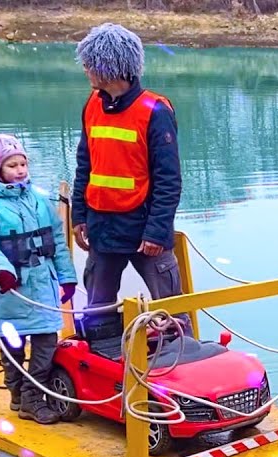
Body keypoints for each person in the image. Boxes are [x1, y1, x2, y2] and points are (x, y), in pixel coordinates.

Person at [70, 22, 191, 335]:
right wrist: (78, 216)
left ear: (110, 66)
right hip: (101, 228)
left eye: (90, 63)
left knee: (172, 314)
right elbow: (85, 164)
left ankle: (184, 368)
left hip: (145, 230)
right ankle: (102, 368)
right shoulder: (91, 105)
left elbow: (169, 180)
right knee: (98, 313)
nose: (85, 69)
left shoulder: (155, 110)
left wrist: (157, 231)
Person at [0, 133, 78, 425]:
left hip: (43, 284)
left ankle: (32, 397)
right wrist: (3, 270)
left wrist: (67, 277)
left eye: (22, 164)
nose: (19, 170)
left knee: (46, 342)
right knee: (13, 346)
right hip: (11, 290)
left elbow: (56, 238)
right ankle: (17, 393)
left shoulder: (40, 200)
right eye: (11, 165)